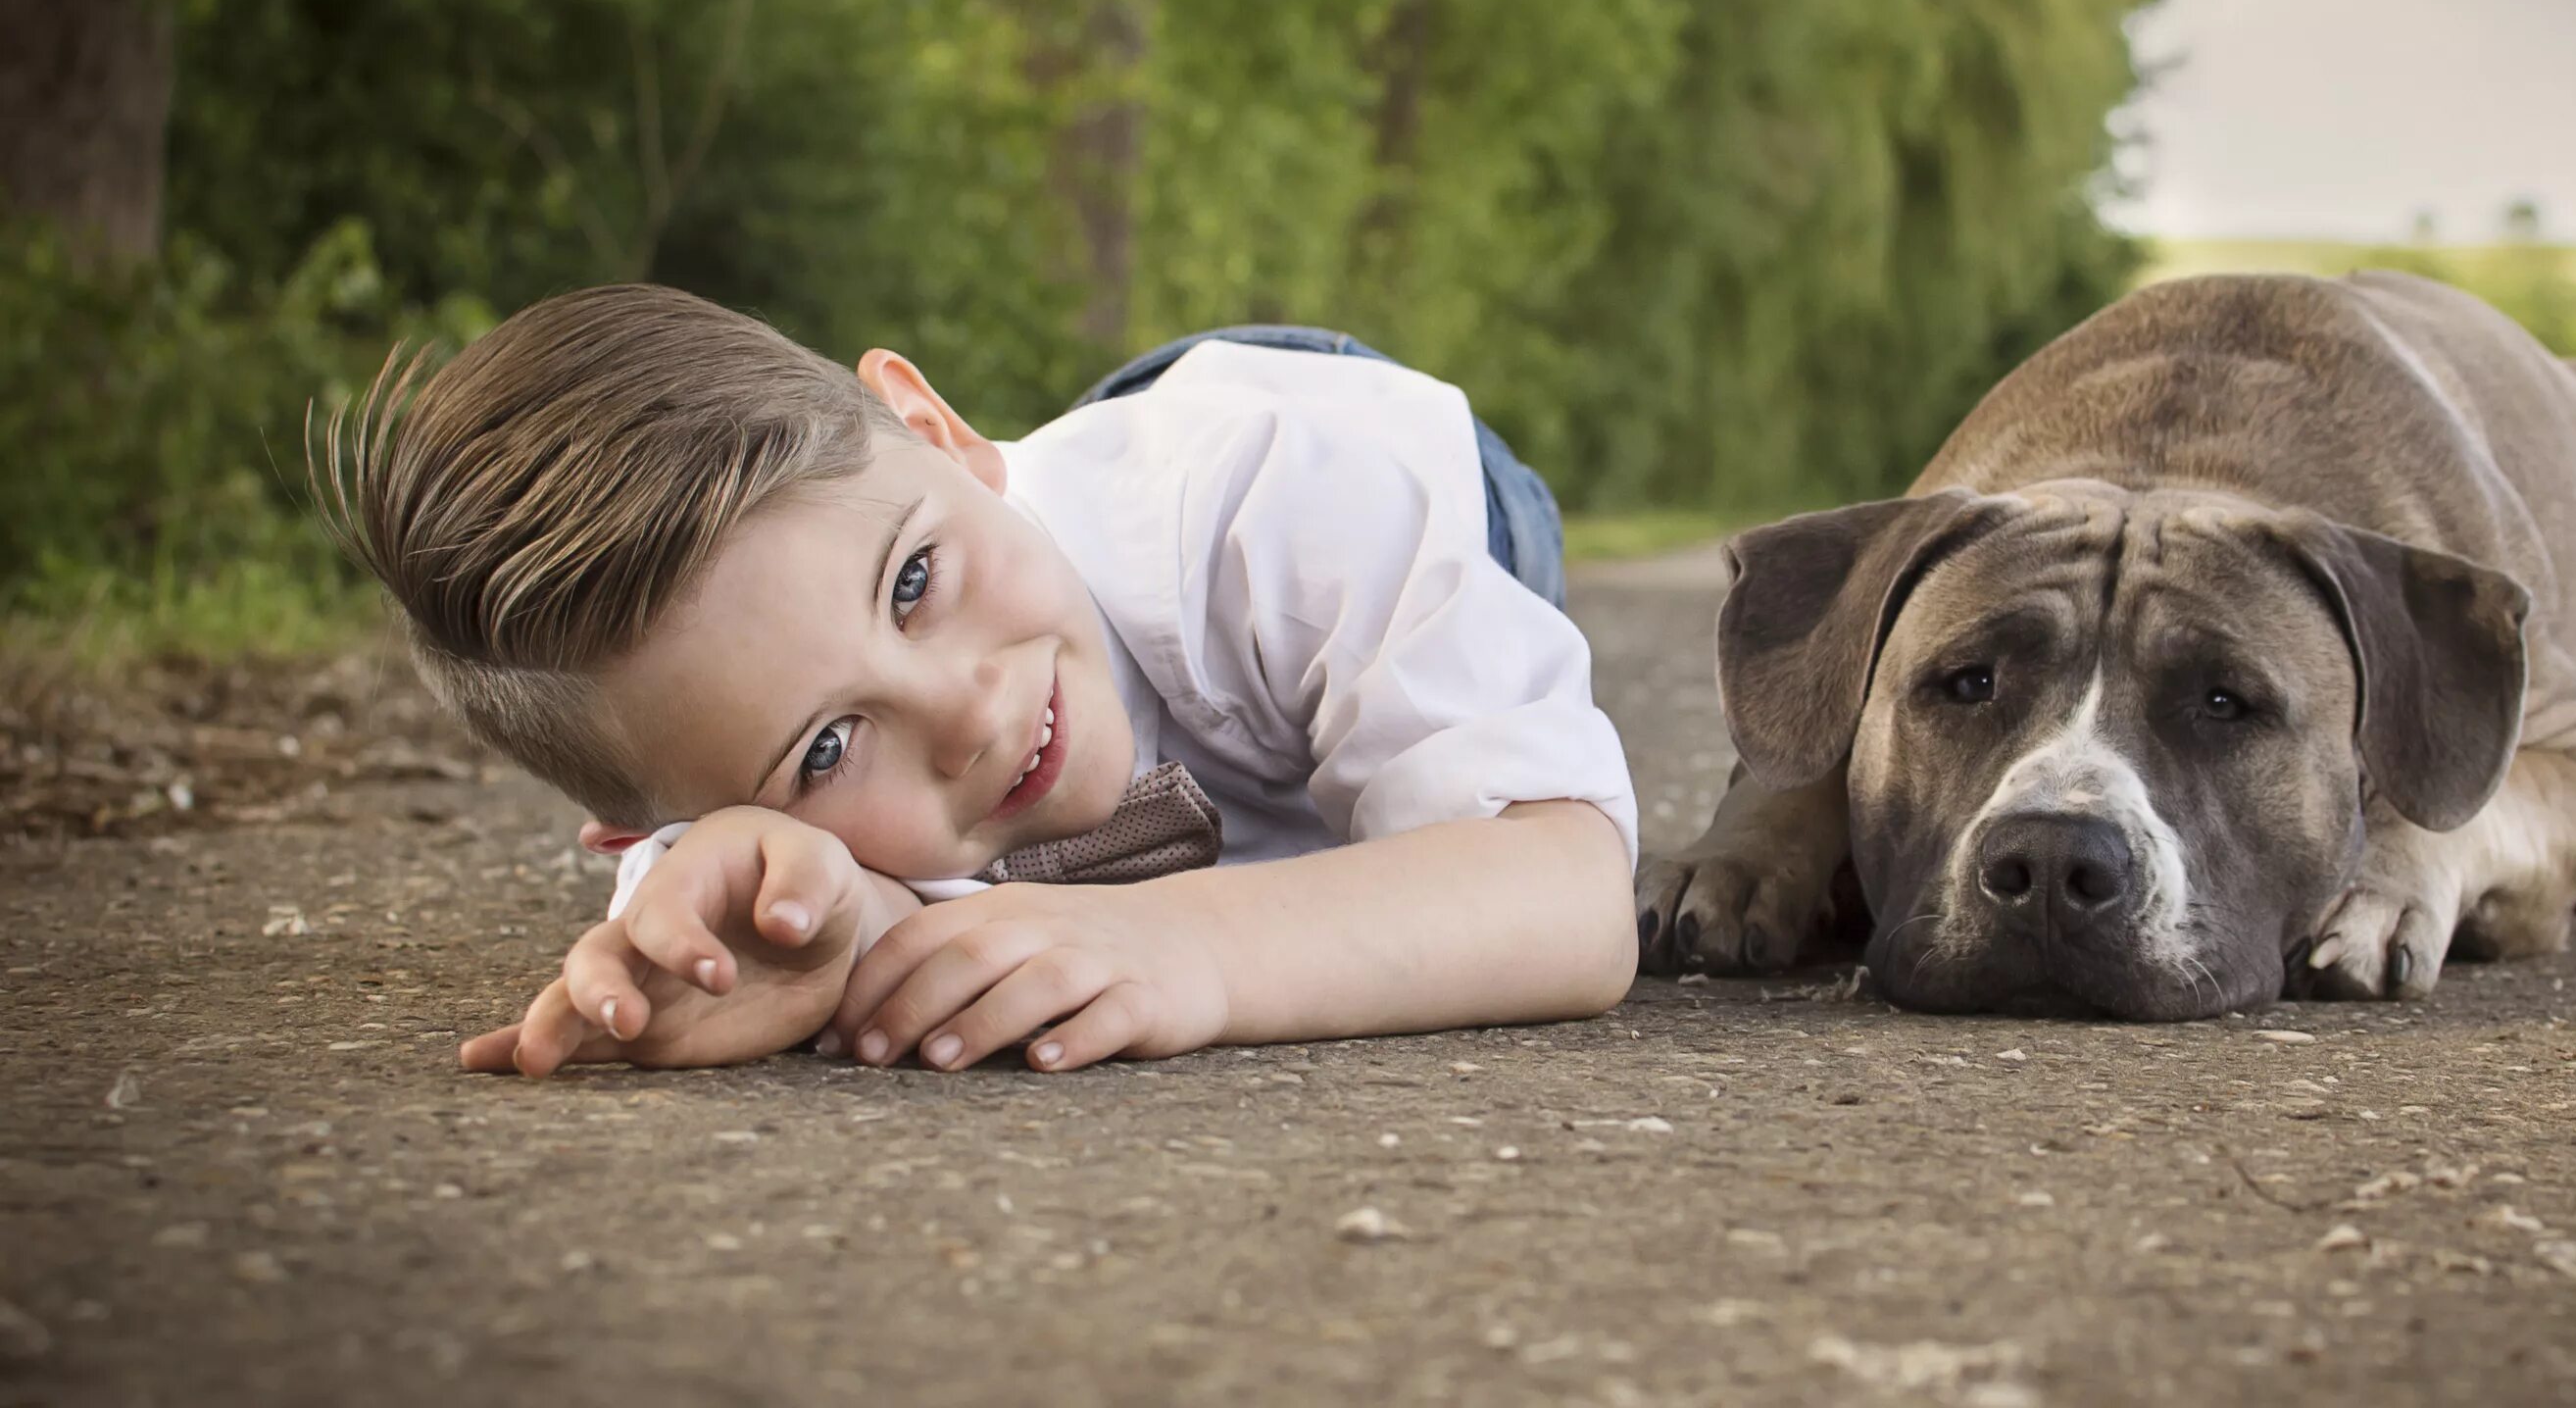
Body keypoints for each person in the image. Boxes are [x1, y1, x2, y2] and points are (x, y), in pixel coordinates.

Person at [314, 286, 1639, 1077]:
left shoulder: (1278, 506)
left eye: (911, 584)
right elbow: (732, 903)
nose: (962, 713)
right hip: (1026, 525)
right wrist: (835, 937)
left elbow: (1564, 892)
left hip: (1342, 434)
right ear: (646, 824)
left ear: (941, 434)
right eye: (827, 751)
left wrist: (1183, 949)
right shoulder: (728, 834)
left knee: (1445, 722)